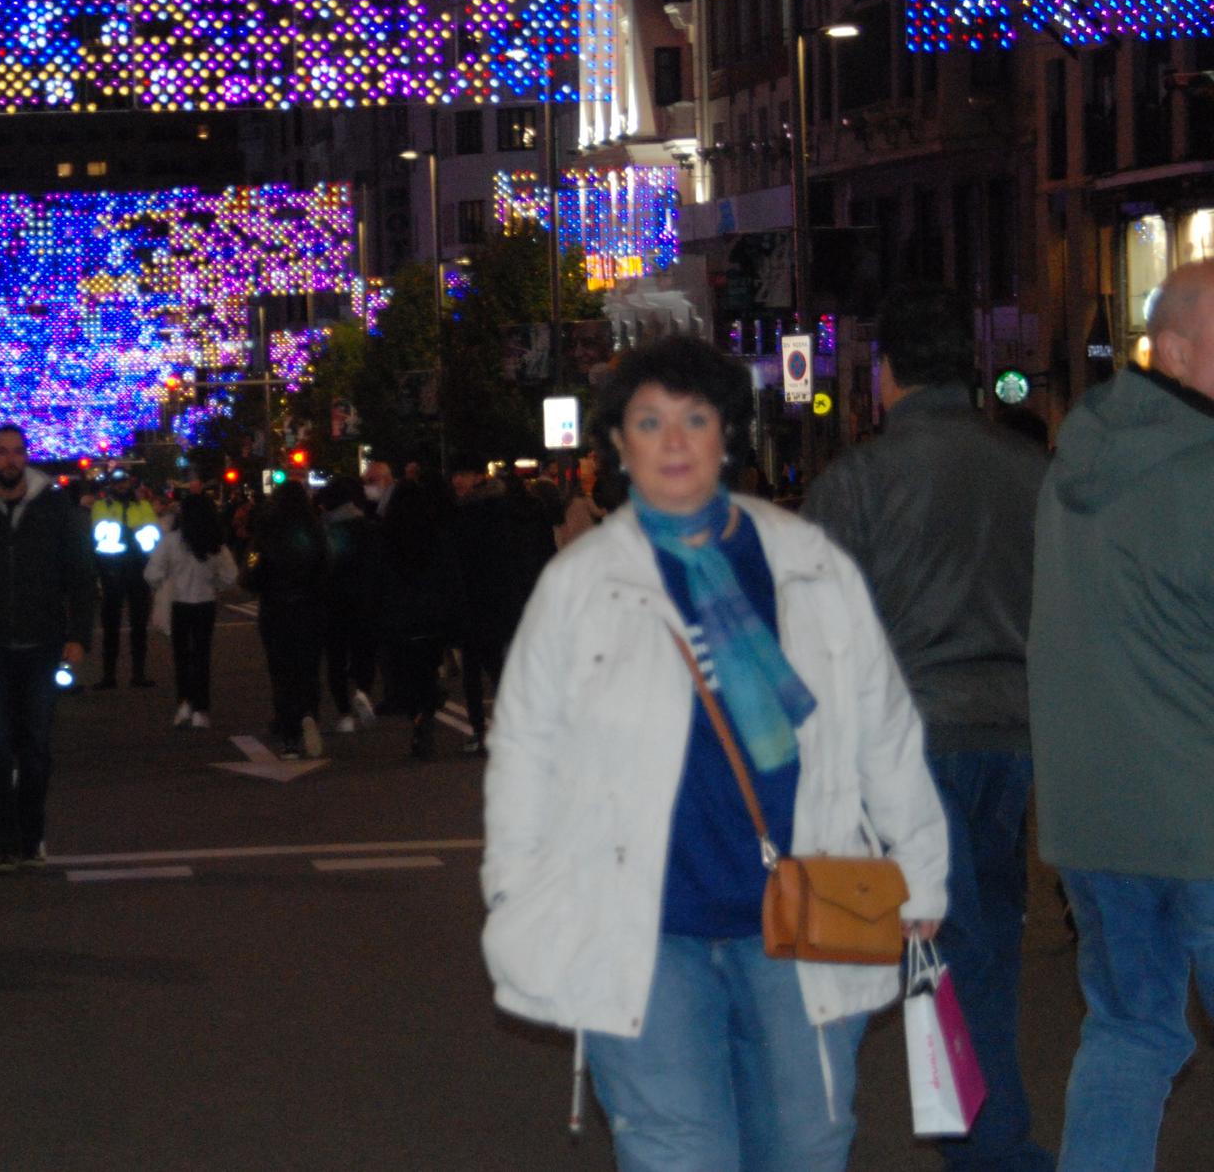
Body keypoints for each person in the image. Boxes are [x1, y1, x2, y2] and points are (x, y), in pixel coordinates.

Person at [481, 335, 948, 1171]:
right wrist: (516, 890)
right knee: (676, 1152)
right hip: (645, 928)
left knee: (807, 1144)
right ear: (617, 443)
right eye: (648, 420)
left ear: (726, 435)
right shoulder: (582, 584)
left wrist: (921, 864)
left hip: (805, 913)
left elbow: (882, 723)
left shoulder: (807, 565)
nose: (672, 440)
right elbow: (524, 747)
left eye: (694, 418)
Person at [803, 285, 1052, 1172]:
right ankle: (981, 1136)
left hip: (906, 747)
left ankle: (995, 1148)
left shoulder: (857, 482)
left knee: (918, 951)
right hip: (1011, 738)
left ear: (886, 375)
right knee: (979, 945)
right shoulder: (1030, 472)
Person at [1029, 260, 1214, 1170]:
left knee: (1130, 1033)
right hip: (1200, 813)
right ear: (1176, 351)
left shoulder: (1076, 465)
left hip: (1095, 816)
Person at [0, 424, 93, 872]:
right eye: (2, 452)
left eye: (17, 452)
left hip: (41, 643)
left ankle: (32, 834)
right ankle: (5, 839)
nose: (9, 459)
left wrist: (78, 635)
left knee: (36, 745)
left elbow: (80, 574)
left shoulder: (53, 507)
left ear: (26, 456)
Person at [370, 480, 462, 760]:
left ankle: (418, 716)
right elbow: (449, 574)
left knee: (404, 673)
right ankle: (426, 713)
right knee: (427, 669)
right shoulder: (435, 533)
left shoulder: (385, 535)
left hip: (397, 617)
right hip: (430, 616)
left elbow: (377, 579)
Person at [247, 480, 327, 761]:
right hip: (309, 608)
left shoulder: (267, 531)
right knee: (308, 669)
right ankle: (310, 715)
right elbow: (325, 568)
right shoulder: (315, 531)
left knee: (282, 672)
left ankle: (289, 734)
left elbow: (252, 571)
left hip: (276, 609)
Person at [143, 491, 236, 729]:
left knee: (182, 656)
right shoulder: (215, 542)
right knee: (202, 656)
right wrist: (214, 584)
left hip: (179, 603)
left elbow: (152, 573)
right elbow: (230, 576)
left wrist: (164, 583)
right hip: (205, 603)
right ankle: (201, 709)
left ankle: (184, 702)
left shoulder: (172, 540)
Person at [448, 468, 526, 755]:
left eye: (463, 475)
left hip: (476, 600)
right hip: (500, 601)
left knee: (475, 670)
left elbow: (462, 563)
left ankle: (480, 732)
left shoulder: (468, 515)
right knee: (496, 667)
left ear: (478, 478)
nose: (457, 480)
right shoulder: (504, 512)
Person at [318, 476, 378, 734]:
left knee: (336, 658)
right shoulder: (366, 526)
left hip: (333, 601)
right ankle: (363, 690)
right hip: (363, 598)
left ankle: (344, 714)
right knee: (363, 651)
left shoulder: (325, 530)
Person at [90, 471, 160, 690]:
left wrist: (126, 533)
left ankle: (138, 674)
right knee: (111, 625)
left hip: (137, 569)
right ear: (112, 484)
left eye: (125, 482)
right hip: (112, 570)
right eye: (118, 483)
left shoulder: (141, 505)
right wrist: (132, 533)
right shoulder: (102, 505)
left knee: (139, 624)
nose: (122, 486)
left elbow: (152, 532)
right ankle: (109, 675)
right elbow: (99, 531)